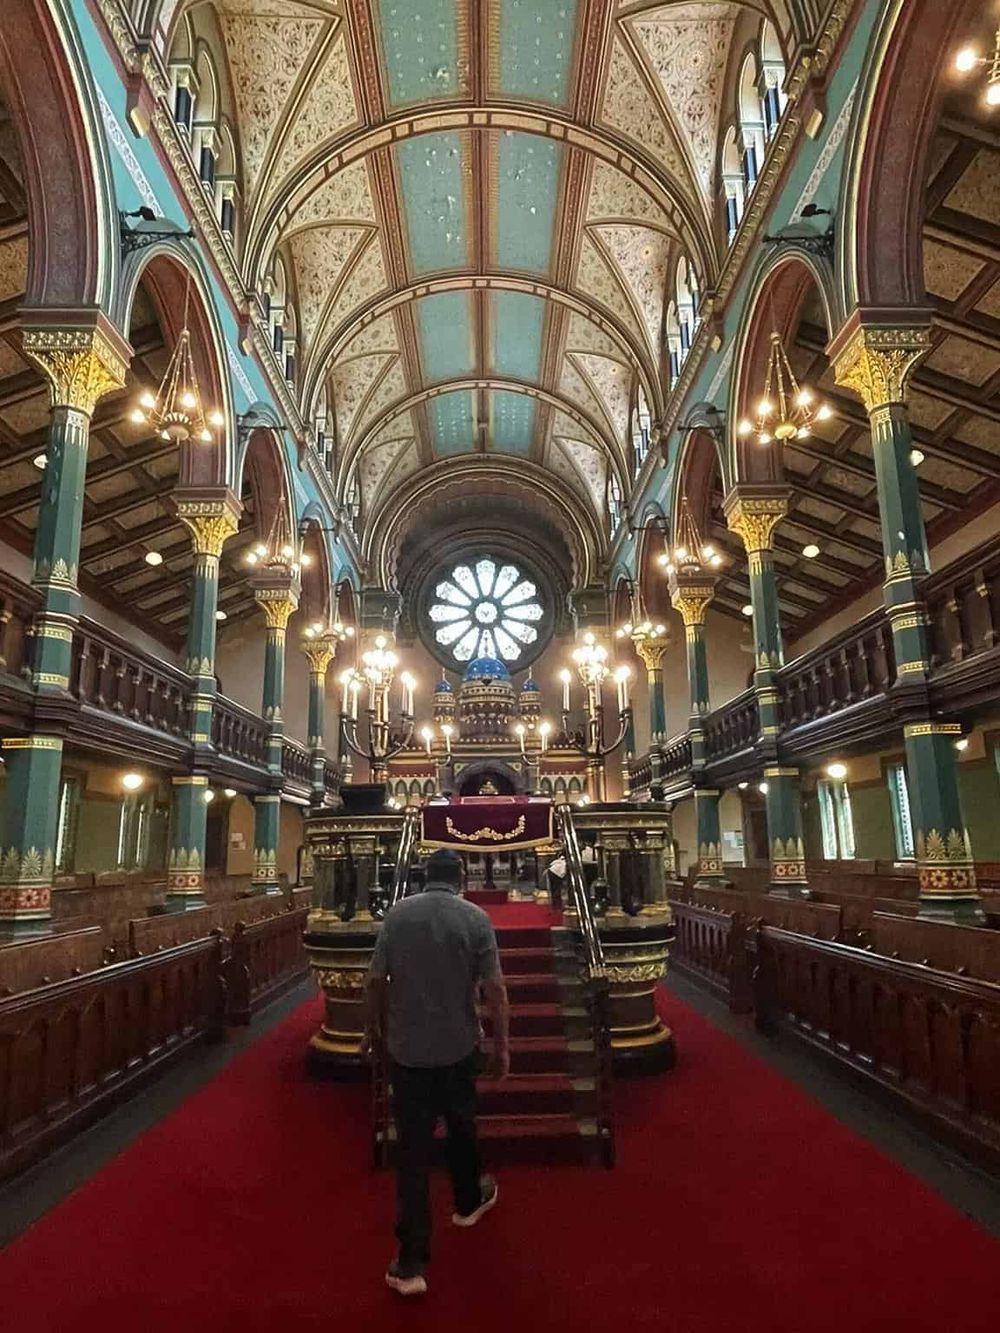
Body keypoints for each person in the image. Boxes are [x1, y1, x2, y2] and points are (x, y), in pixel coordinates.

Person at [366, 848, 510, 1298]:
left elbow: (374, 981)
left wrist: (373, 1033)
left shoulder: (397, 915)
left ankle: (410, 1262)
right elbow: (495, 988)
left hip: (407, 1051)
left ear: (424, 876)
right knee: (462, 1125)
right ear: (461, 877)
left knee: (412, 1153)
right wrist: (502, 1044)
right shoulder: (475, 918)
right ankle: (467, 1201)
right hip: (458, 1044)